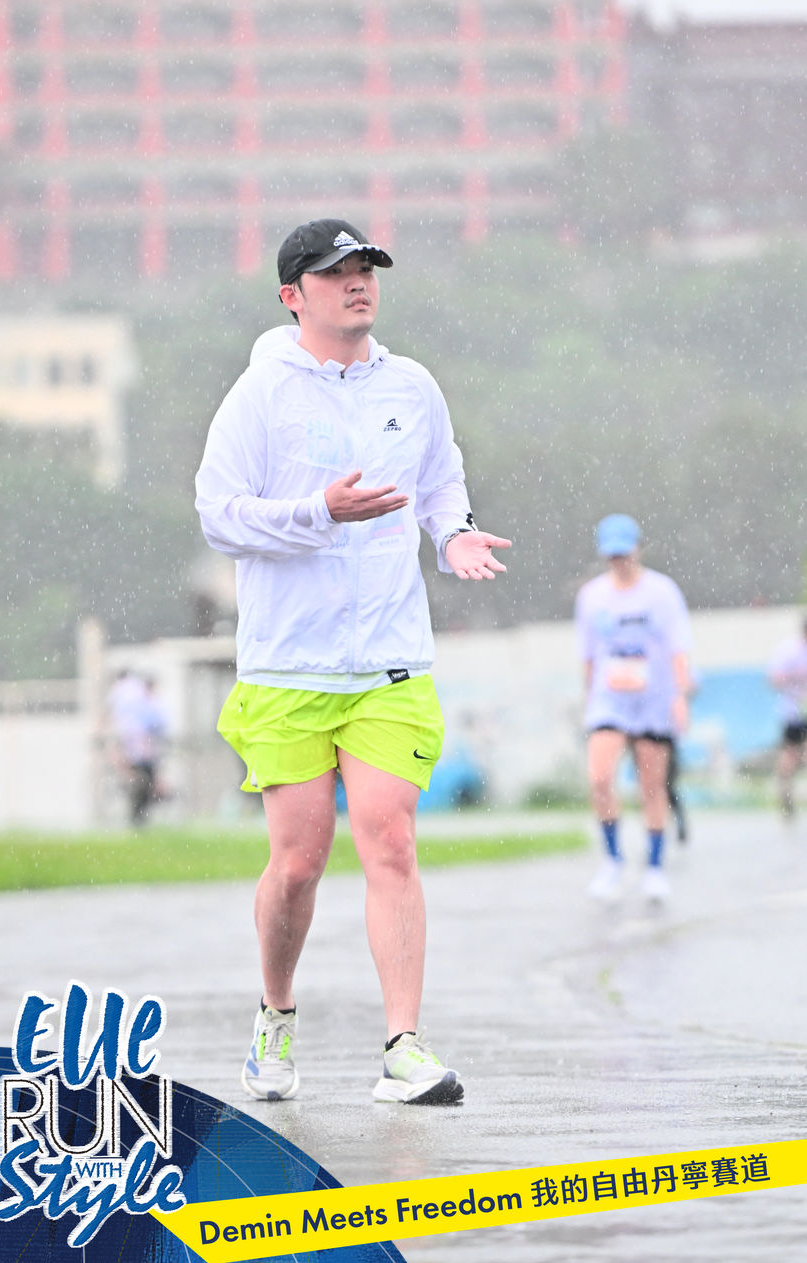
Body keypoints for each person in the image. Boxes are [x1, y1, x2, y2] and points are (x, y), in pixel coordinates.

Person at [195, 218, 510, 1105]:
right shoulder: (259, 395)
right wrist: (316, 514)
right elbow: (219, 515)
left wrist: (452, 534)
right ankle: (275, 1012)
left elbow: (439, 480)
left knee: (392, 840)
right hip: (287, 666)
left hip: (389, 662)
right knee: (298, 862)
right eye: (336, 272)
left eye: (366, 267)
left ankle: (403, 1046)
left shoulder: (411, 386)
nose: (357, 282)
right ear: (292, 295)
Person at [574, 514, 692, 903]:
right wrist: (589, 696)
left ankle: (655, 867)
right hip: (609, 700)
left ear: (638, 549)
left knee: (652, 786)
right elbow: (588, 655)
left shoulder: (662, 592)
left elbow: (678, 648)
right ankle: (613, 861)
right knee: (599, 778)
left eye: (625, 553)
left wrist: (679, 696)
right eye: (613, 555)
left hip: (653, 699)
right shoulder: (592, 597)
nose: (620, 561)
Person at [106, 671, 169, 826]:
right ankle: (138, 816)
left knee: (144, 781)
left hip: (141, 750)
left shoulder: (139, 702)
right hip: (138, 750)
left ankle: (139, 816)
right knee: (142, 781)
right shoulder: (138, 701)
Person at [767, 618, 807, 820]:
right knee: (790, 756)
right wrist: (796, 676)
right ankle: (786, 796)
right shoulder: (789, 650)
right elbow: (774, 679)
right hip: (793, 712)